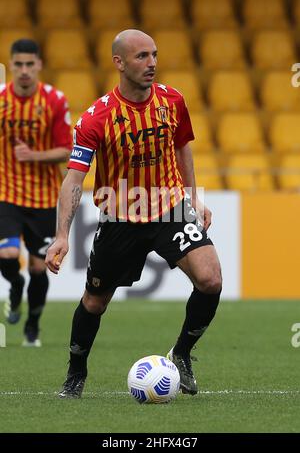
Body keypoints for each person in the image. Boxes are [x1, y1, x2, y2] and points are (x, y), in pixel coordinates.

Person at [45, 29, 222, 398]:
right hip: (121, 216)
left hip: (169, 207)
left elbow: (182, 148)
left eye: (154, 55)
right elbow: (74, 181)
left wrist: (193, 198)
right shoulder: (95, 119)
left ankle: (182, 354)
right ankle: (76, 372)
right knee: (94, 302)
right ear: (119, 63)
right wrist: (62, 234)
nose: (152, 63)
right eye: (142, 56)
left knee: (210, 279)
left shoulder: (172, 100)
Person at [0, 39, 72, 346]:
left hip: (44, 198)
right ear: (11, 65)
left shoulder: (55, 100)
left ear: (39, 65)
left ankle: (32, 325)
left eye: (30, 64)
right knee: (8, 254)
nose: (24, 70)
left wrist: (35, 156)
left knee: (40, 268)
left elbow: (67, 150)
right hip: (6, 193)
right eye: (18, 64)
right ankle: (15, 287)